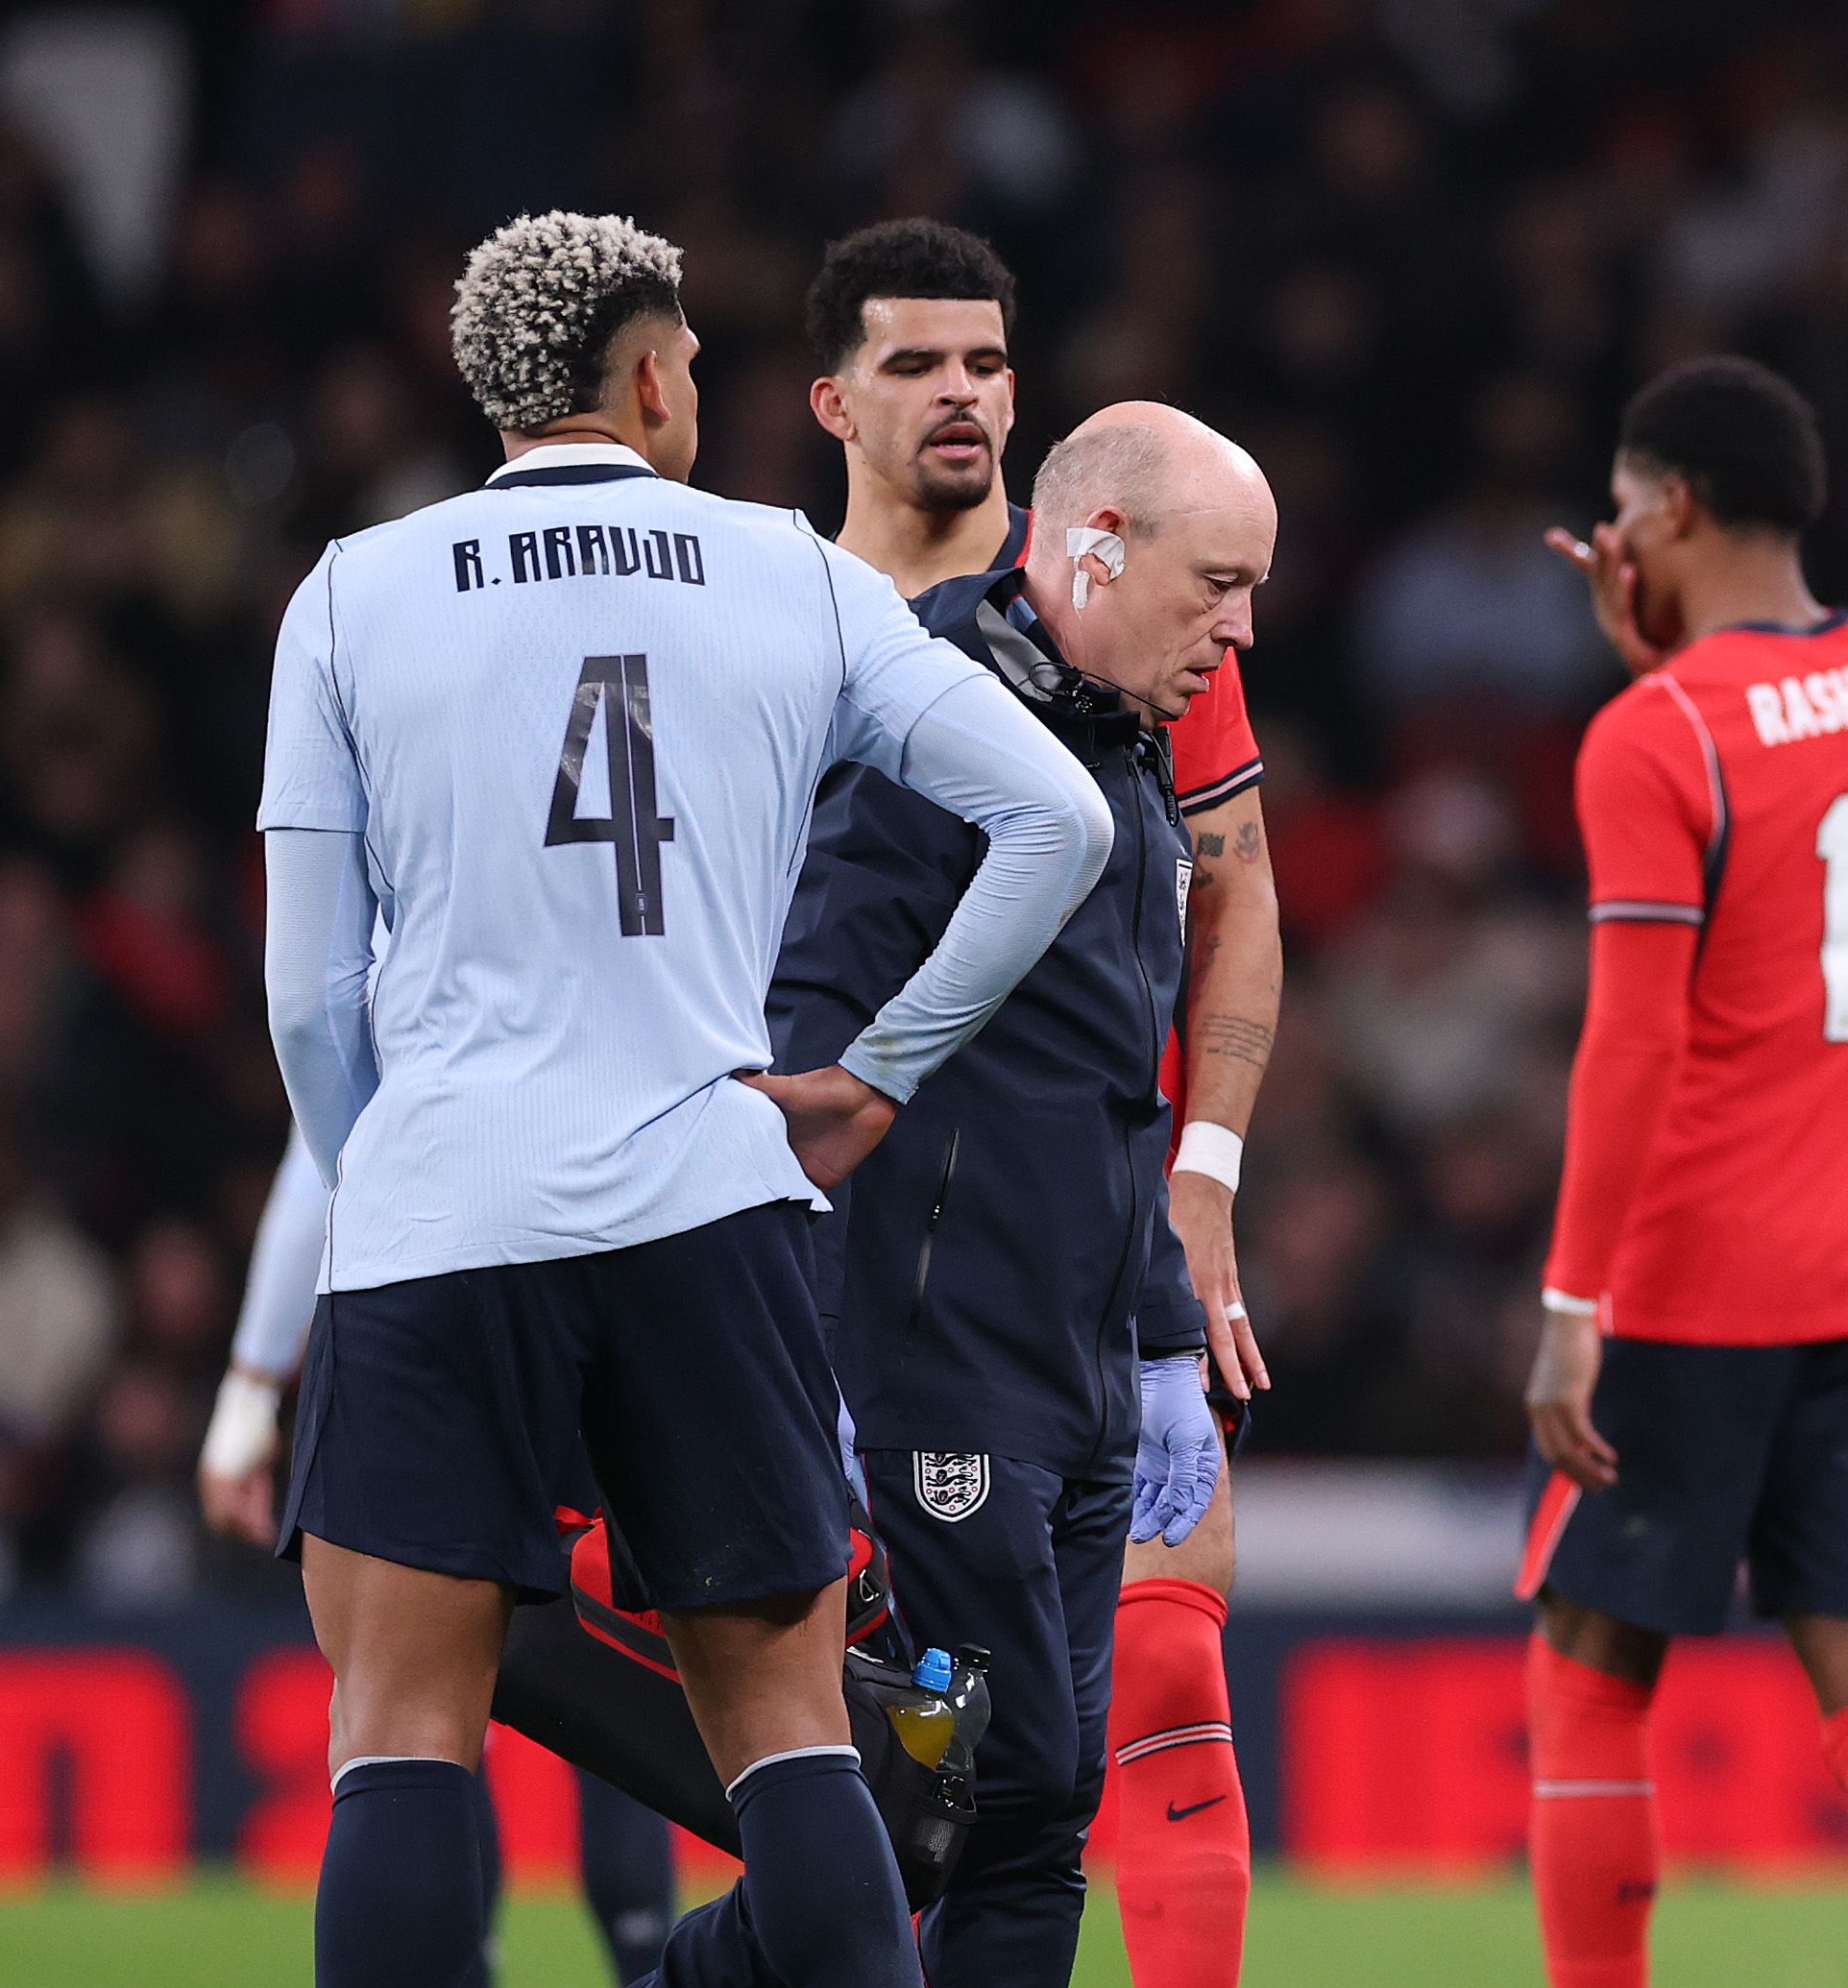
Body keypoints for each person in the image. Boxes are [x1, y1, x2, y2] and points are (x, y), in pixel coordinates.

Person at [257, 210, 1112, 1988]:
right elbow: (1064, 823)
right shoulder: (789, 571)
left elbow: (306, 994)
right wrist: (879, 1072)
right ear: (647, 373)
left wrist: (383, 1179)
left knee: (403, 1726)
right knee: (793, 1732)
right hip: (707, 1205)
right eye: (698, 368)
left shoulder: (349, 590)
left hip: (439, 1220)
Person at [801, 218, 1281, 1984]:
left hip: (1091, 1296)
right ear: (831, 397)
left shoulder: (1143, 667)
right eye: (918, 362)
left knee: (1038, 1779)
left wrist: (1195, 1210)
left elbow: (1229, 920)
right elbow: (792, 1008)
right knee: (871, 1783)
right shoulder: (815, 642)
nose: (961, 396)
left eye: (989, 362)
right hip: (910, 1312)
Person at [1520, 356, 1848, 1988]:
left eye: (1619, 505)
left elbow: (1635, 1047)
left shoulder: (1650, 738)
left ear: (1670, 507)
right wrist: (1669, 661)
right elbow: (1792, 765)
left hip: (1693, 1282)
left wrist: (1571, 1301)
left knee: (1589, 1676)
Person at [201, 1138, 680, 1983]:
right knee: (629, 1661)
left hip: (422, 1305)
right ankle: (651, 1955)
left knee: (407, 1712)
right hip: (618, 1285)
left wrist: (250, 1387)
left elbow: (318, 1142)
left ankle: (471, 1968)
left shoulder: (413, 1014)